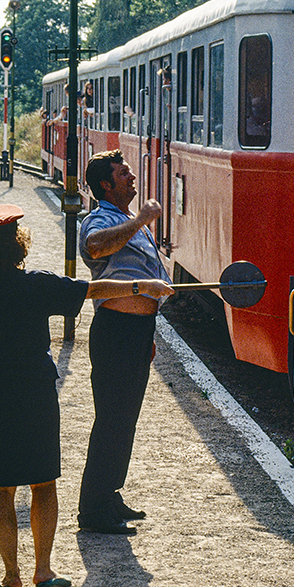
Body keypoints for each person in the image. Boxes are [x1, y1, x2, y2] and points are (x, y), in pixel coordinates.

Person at [0, 203, 172, 587]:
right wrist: (142, 286)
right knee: (43, 483)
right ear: (19, 246)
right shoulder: (36, 284)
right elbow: (93, 290)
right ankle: (43, 570)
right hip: (34, 396)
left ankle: (10, 575)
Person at [77, 150, 173, 534]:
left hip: (136, 333)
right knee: (112, 421)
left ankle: (110, 494)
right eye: (124, 173)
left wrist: (148, 330)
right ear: (106, 184)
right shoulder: (101, 218)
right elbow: (95, 247)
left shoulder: (130, 222)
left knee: (125, 421)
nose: (132, 178)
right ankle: (93, 511)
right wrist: (142, 219)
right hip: (115, 329)